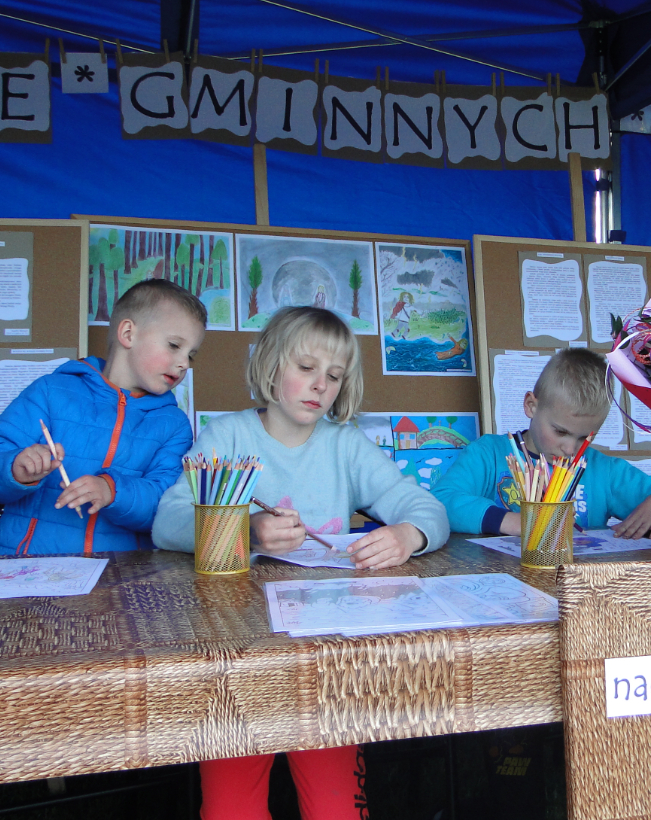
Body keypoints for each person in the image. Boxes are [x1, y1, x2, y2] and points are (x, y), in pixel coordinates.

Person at [152, 305, 449, 820]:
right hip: (236, 658)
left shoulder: (345, 444)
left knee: (337, 809)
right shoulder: (227, 436)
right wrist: (245, 528)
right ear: (270, 367)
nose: (320, 386)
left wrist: (409, 534)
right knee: (230, 811)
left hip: (325, 663)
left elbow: (428, 509)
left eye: (334, 376)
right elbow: (167, 522)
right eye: (306, 368)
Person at [0, 279, 205, 555]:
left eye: (191, 355)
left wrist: (112, 491)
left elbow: (167, 508)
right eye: (174, 345)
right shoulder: (51, 392)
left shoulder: (174, 425)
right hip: (29, 569)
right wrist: (15, 468)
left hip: (121, 574)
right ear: (128, 333)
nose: (183, 363)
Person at [431, 348, 651, 538]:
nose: (570, 449)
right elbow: (440, 502)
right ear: (531, 406)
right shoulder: (488, 454)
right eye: (560, 431)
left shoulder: (604, 471)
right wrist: (517, 523)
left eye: (585, 438)